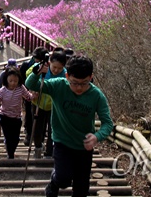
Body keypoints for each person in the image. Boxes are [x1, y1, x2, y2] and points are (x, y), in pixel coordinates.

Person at [25, 54, 113, 197]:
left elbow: (108, 123)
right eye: (74, 82)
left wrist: (97, 136)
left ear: (91, 77)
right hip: (62, 142)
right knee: (63, 179)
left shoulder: (96, 95)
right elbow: (31, 84)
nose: (79, 88)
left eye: (84, 83)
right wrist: (37, 69)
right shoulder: (59, 85)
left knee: (81, 188)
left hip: (84, 146)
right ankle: (53, 182)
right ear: (67, 76)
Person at [0, 67, 33, 159]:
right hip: (4, 117)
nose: (13, 83)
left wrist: (34, 96)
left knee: (16, 139)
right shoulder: (2, 91)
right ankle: (10, 155)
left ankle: (10, 151)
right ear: (6, 80)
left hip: (16, 117)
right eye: (11, 81)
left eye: (15, 81)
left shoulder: (20, 88)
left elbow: (28, 97)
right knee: (8, 137)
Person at [26, 50, 67, 158]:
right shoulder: (41, 66)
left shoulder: (65, 74)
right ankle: (38, 147)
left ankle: (50, 152)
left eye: (60, 68)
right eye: (54, 67)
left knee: (53, 129)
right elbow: (28, 75)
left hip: (54, 106)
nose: (56, 70)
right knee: (37, 129)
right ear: (49, 62)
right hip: (38, 103)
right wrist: (32, 88)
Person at [20, 46, 49, 146]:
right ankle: (29, 135)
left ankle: (39, 138)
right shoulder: (27, 65)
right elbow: (22, 80)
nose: (35, 60)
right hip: (29, 94)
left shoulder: (49, 66)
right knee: (29, 114)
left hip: (43, 96)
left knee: (41, 119)